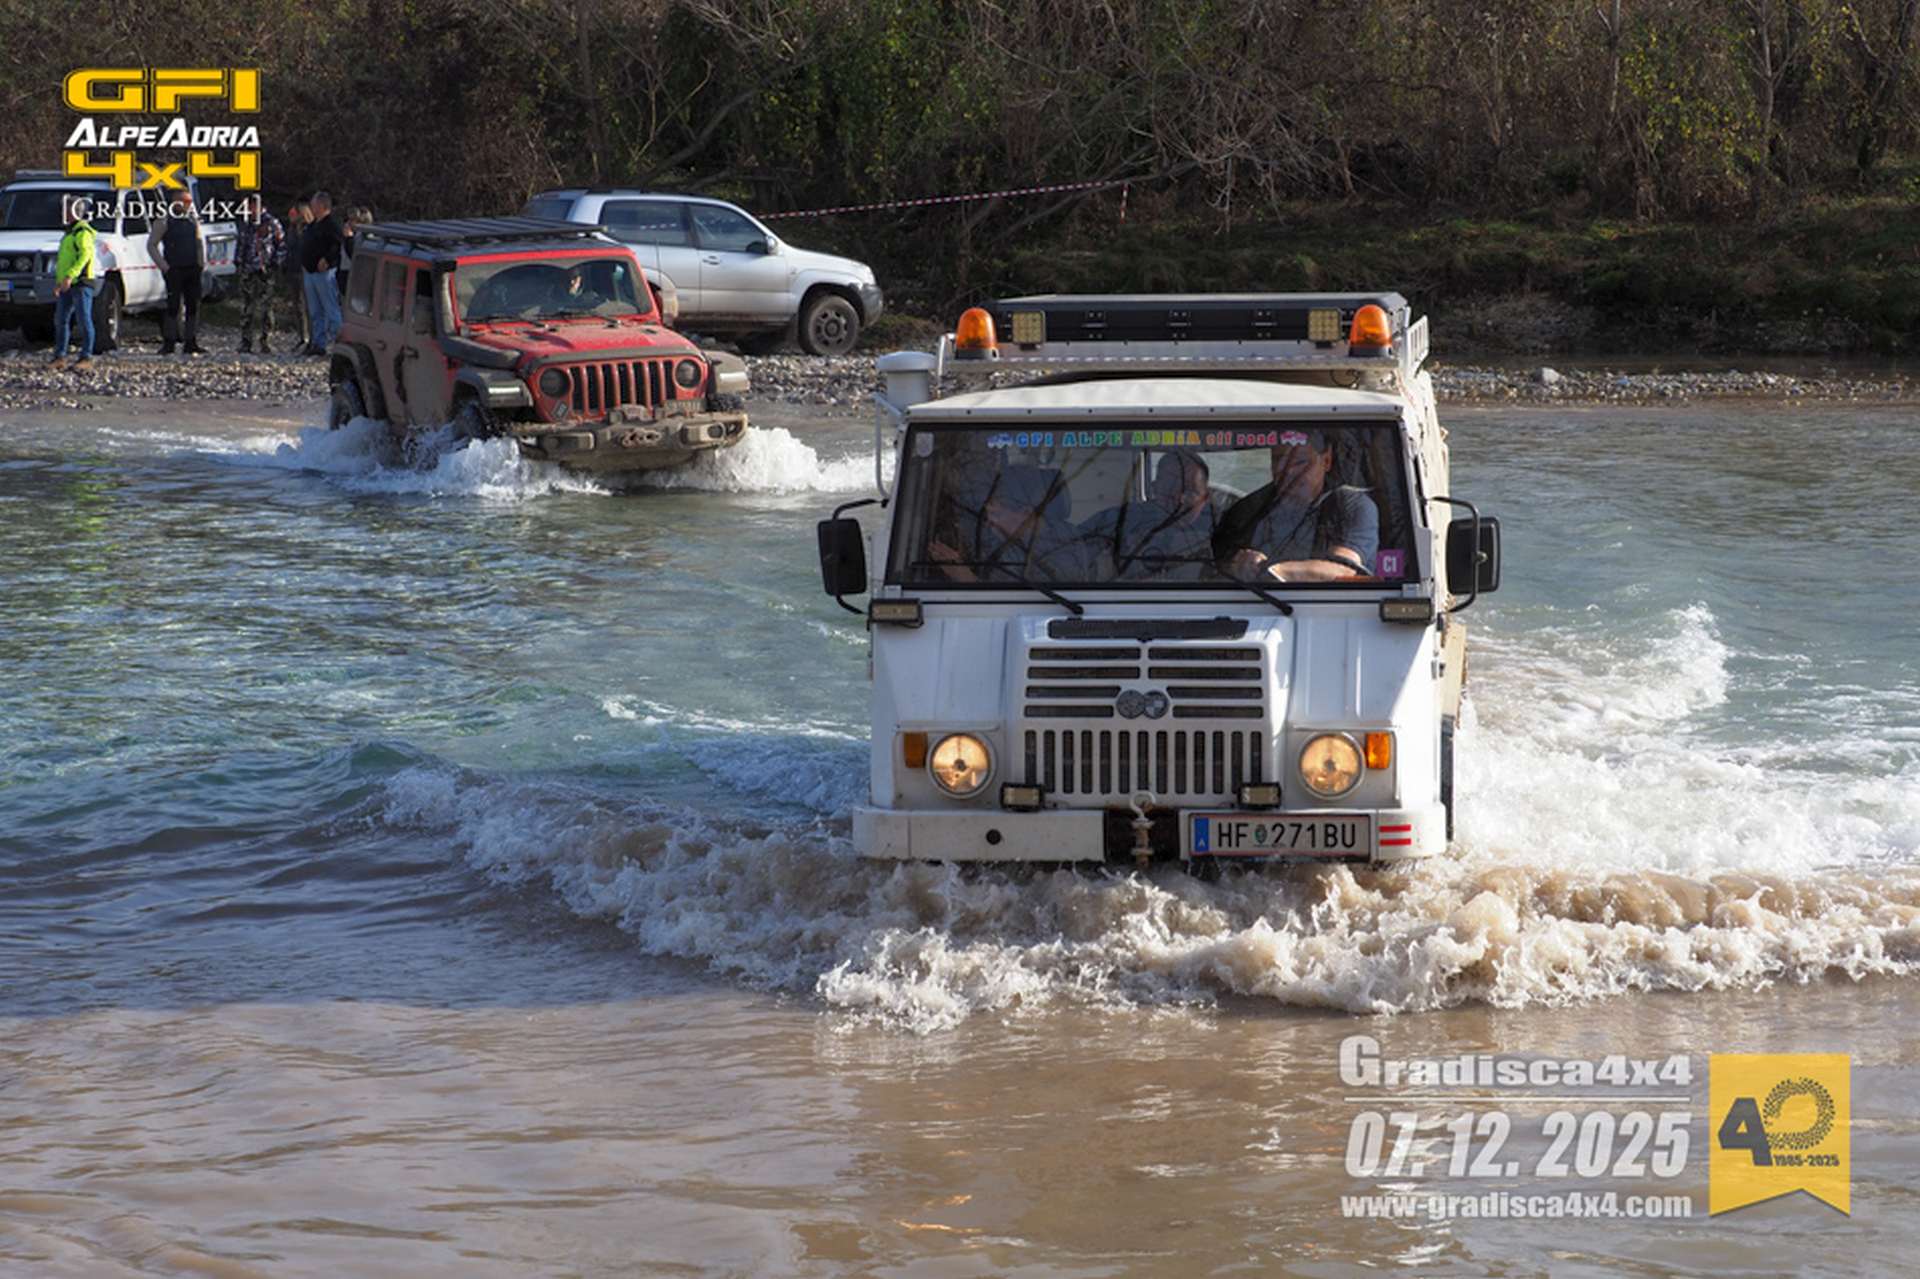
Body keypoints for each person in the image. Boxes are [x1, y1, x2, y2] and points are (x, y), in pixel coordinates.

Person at [1213, 430, 1378, 581]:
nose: (1288, 470)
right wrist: (1238, 564)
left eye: (1300, 462)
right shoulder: (1249, 509)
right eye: (1278, 460)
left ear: (1326, 460)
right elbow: (1212, 567)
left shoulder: (1351, 507)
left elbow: (1343, 570)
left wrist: (1272, 570)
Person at [926, 464, 1101, 582]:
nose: (989, 522)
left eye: (997, 514)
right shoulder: (1009, 543)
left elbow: (1028, 605)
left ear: (1026, 513)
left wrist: (966, 578)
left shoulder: (1064, 549)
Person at [1083, 451, 1218, 581]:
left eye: (1190, 491)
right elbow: (1076, 554)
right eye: (1169, 488)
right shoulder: (1116, 521)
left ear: (1206, 498)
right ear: (1154, 488)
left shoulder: (1220, 530)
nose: (1179, 499)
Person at [147, 191, 208, 356]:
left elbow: (199, 242)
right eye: (185, 201)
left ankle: (191, 341)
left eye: (190, 201)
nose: (189, 204)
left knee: (193, 305)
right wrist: (164, 266)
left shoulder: (193, 220)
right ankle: (169, 342)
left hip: (192, 268)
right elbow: (151, 245)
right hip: (174, 269)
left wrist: (201, 262)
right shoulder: (164, 220)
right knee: (173, 306)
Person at [48, 202, 98, 371]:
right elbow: (64, 260)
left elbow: (85, 256)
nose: (65, 214)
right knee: (61, 320)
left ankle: (86, 357)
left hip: (81, 282)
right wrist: (60, 281)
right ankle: (60, 357)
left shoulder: (82, 232)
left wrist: (71, 275)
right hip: (67, 284)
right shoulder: (69, 233)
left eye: (68, 210)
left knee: (84, 319)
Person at [233, 193, 284, 354]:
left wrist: (275, 263)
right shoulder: (246, 223)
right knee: (246, 307)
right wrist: (238, 262)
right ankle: (246, 341)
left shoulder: (271, 223)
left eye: (252, 206)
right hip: (248, 269)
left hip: (265, 270)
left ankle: (265, 341)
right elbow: (240, 244)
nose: (250, 209)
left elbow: (280, 244)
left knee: (265, 307)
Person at [300, 191, 345, 354]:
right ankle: (319, 344)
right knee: (315, 311)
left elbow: (338, 244)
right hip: (310, 272)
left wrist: (327, 259)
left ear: (321, 205)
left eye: (313, 204)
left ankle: (340, 344)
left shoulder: (332, 224)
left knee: (331, 309)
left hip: (325, 273)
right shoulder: (313, 224)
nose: (311, 206)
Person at [282, 202, 312, 353]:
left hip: (304, 270)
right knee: (298, 305)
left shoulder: (308, 229)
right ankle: (302, 336)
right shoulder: (291, 229)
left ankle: (311, 337)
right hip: (293, 269)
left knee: (308, 305)